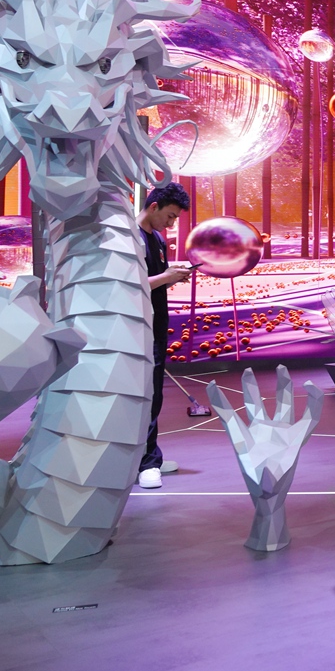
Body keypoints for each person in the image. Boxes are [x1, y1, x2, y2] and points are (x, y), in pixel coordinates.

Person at [136, 182, 193, 490]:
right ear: (154, 206)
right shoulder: (129, 237)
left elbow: (153, 282)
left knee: (154, 394)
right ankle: (145, 463)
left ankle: (149, 456)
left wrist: (172, 277)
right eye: (170, 216)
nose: (171, 224)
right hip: (135, 329)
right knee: (144, 395)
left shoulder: (157, 238)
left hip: (156, 326)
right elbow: (126, 284)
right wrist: (165, 277)